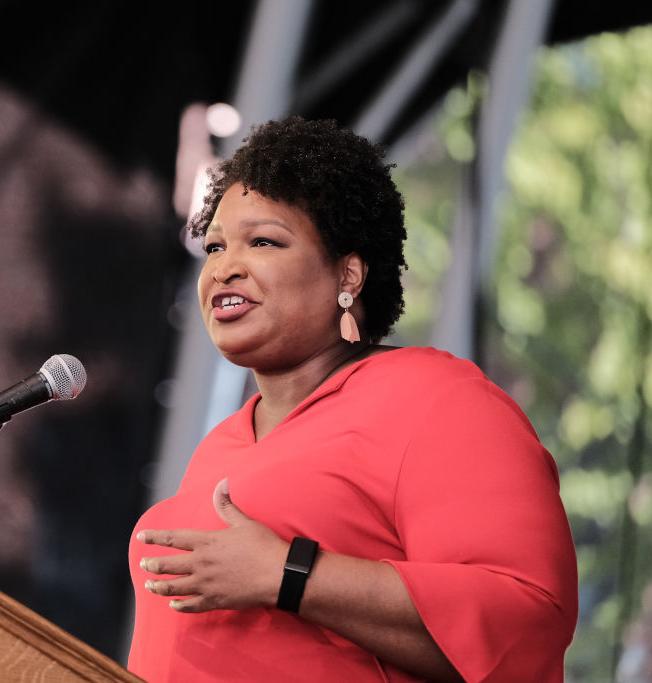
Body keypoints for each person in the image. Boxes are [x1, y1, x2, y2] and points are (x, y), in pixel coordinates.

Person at [127, 116, 578, 682]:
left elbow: (526, 619)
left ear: (349, 275)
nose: (224, 267)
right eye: (215, 245)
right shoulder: (222, 445)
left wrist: (287, 574)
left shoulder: (436, 400)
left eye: (263, 241)